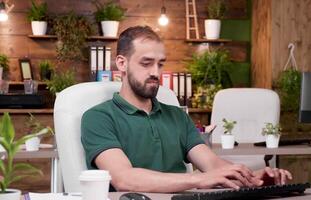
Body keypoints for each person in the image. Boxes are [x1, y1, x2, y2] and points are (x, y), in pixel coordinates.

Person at [81, 25, 292, 193]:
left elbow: (211, 164)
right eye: (146, 63)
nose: (156, 72)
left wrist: (252, 177)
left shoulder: (176, 116)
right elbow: (124, 179)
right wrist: (199, 179)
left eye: (160, 64)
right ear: (122, 63)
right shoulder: (98, 118)